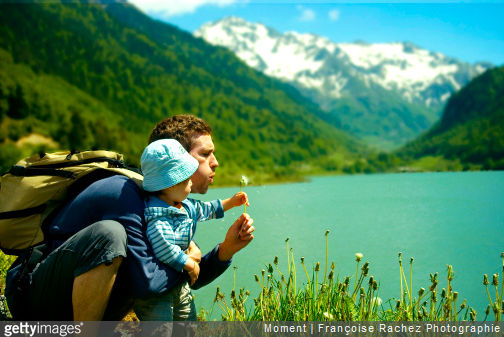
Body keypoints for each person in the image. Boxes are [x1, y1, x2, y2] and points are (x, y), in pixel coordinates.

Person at [5, 114, 255, 321]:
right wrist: (186, 261)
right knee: (109, 235)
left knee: (182, 252)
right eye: (205, 153)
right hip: (35, 301)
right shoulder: (124, 195)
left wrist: (225, 249)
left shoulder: (168, 201)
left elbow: (181, 280)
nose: (216, 162)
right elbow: (149, 283)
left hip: (79, 307)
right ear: (172, 158)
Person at [136, 138, 249, 320]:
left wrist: (231, 202)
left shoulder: (183, 204)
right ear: (172, 184)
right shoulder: (158, 216)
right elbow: (164, 248)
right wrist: (190, 264)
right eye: (187, 179)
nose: (191, 183)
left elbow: (205, 209)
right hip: (158, 292)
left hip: (179, 285)